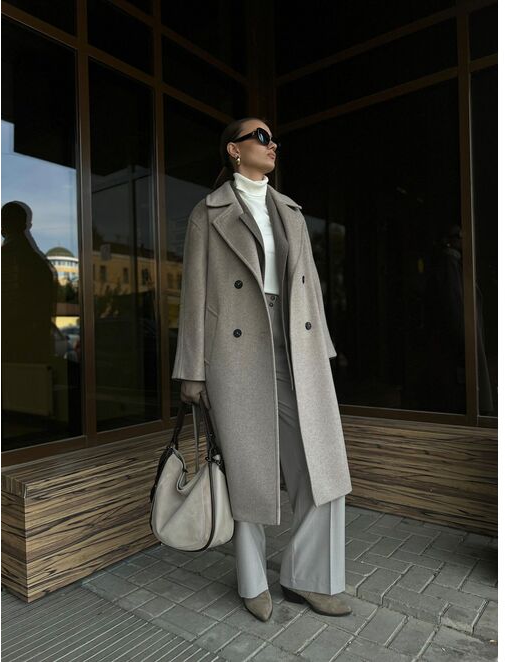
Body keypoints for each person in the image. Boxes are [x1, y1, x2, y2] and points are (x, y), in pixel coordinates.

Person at [172, 117, 352, 622]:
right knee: (247, 468)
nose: (273, 145)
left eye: (274, 139)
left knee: (323, 467)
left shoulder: (289, 210)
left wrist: (323, 348)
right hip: (235, 352)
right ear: (235, 150)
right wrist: (192, 369)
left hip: (296, 345)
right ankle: (252, 583)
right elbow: (194, 295)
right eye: (262, 137)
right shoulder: (209, 212)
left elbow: (309, 285)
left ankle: (309, 577)